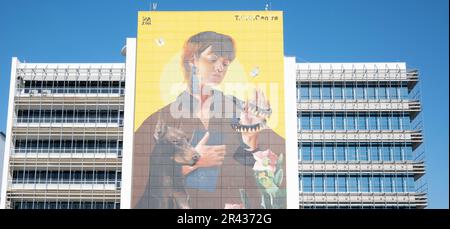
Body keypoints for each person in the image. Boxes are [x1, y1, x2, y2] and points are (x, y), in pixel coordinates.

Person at [133, 31, 286, 209]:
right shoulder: (161, 118)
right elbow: (139, 178)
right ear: (192, 60)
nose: (220, 68)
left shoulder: (241, 111)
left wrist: (251, 141)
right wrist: (193, 163)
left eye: (225, 63)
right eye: (213, 59)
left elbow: (281, 162)